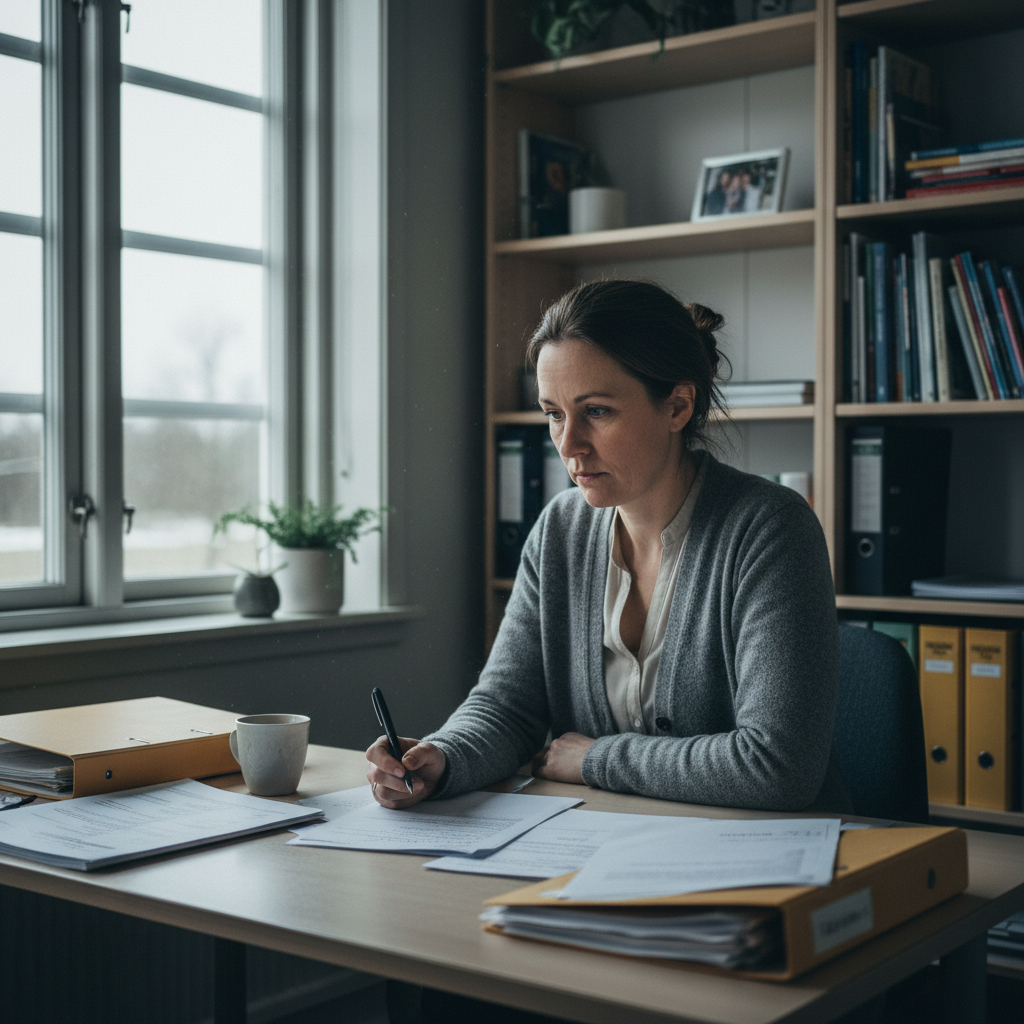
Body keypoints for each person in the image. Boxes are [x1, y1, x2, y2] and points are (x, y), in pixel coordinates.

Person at [367, 279, 848, 816]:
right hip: (606, 849)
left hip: (762, 859)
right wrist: (445, 757)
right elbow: (508, 708)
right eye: (554, 413)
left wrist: (598, 759)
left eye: (596, 411)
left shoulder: (770, 529)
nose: (568, 444)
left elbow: (777, 767)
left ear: (678, 406)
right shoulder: (559, 530)